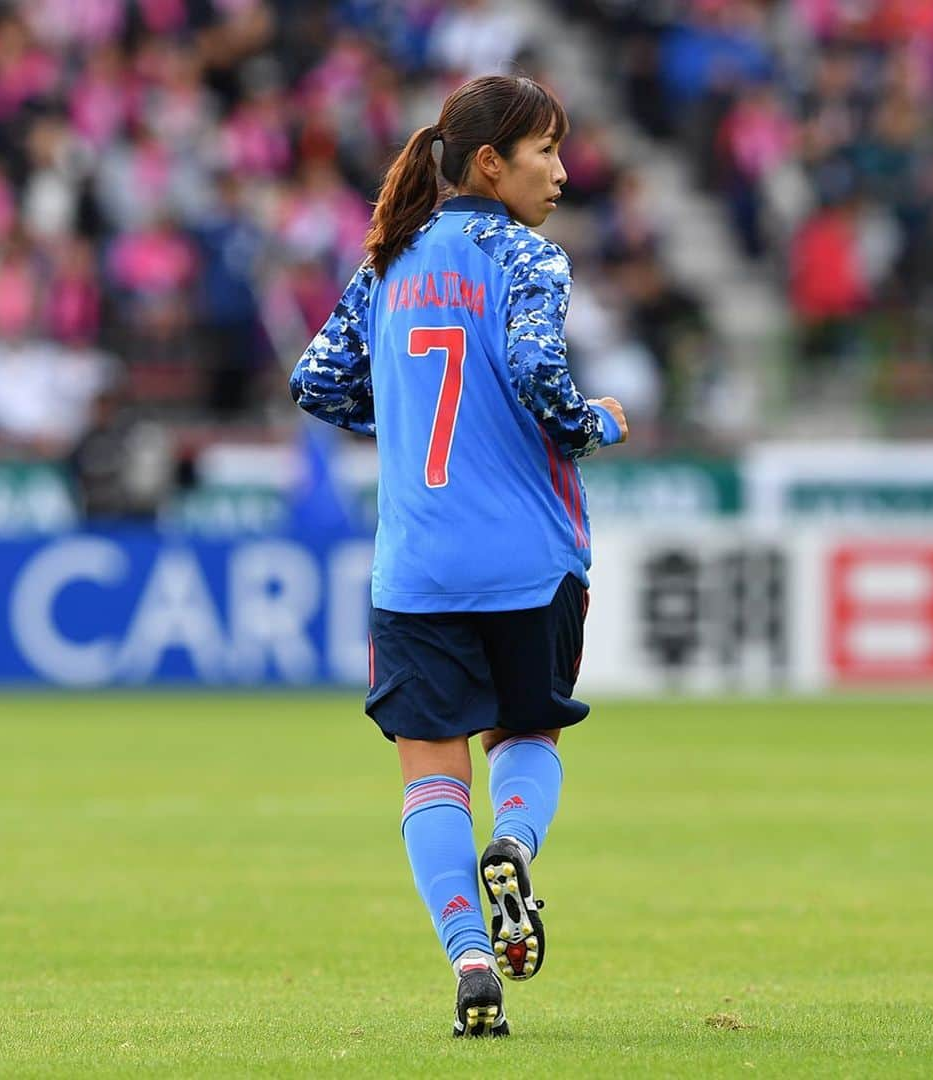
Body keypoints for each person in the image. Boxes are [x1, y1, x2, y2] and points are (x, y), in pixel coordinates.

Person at [289, 74, 628, 1039]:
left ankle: (471, 959)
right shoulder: (528, 256)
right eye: (547, 152)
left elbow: (316, 381)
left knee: (429, 774)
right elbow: (537, 376)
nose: (563, 173)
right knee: (528, 736)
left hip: (418, 567)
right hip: (530, 557)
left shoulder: (388, 261)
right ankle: (514, 844)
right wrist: (592, 421)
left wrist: (393, 421)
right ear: (491, 162)